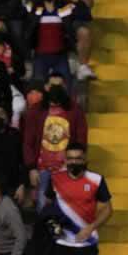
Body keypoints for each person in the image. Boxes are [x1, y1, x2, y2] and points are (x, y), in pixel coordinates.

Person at [47, 143, 113, 255]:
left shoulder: (96, 180)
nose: (74, 162)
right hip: (61, 245)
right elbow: (48, 206)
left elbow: (107, 209)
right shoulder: (55, 178)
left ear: (85, 160)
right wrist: (53, 224)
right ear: (65, 159)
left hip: (87, 246)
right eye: (70, 158)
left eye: (78, 158)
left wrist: (91, 228)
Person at [22, 73, 88, 207]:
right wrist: (31, 168)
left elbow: (81, 138)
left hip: (67, 168)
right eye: (53, 85)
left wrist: (76, 164)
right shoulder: (35, 111)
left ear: (65, 87)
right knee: (42, 206)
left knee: (68, 208)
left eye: (60, 85)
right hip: (42, 169)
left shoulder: (75, 110)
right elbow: (28, 141)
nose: (56, 89)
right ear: (46, 87)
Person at [23, 0, 89, 83]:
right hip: (40, 57)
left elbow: (86, 16)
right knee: (38, 89)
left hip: (60, 57)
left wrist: (77, 1)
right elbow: (13, 14)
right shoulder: (33, 10)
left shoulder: (65, 9)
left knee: (66, 90)